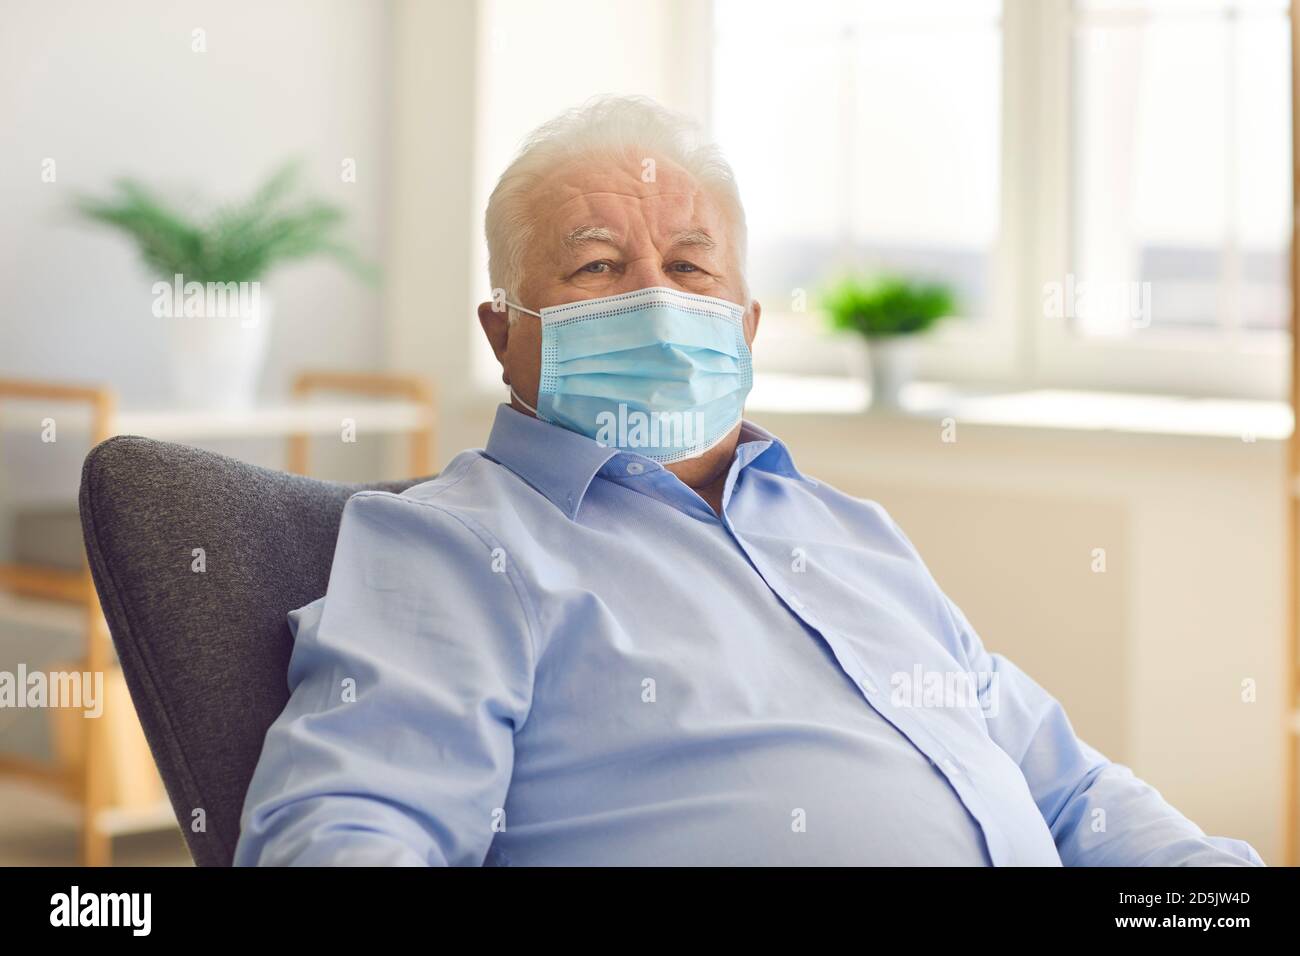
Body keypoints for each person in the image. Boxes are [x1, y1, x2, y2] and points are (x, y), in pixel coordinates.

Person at [234, 96, 1263, 866]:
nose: (651, 296)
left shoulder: (850, 530)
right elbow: (347, 832)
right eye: (594, 266)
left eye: (690, 268)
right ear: (505, 333)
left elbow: (1071, 788)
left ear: (747, 326)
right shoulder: (456, 544)